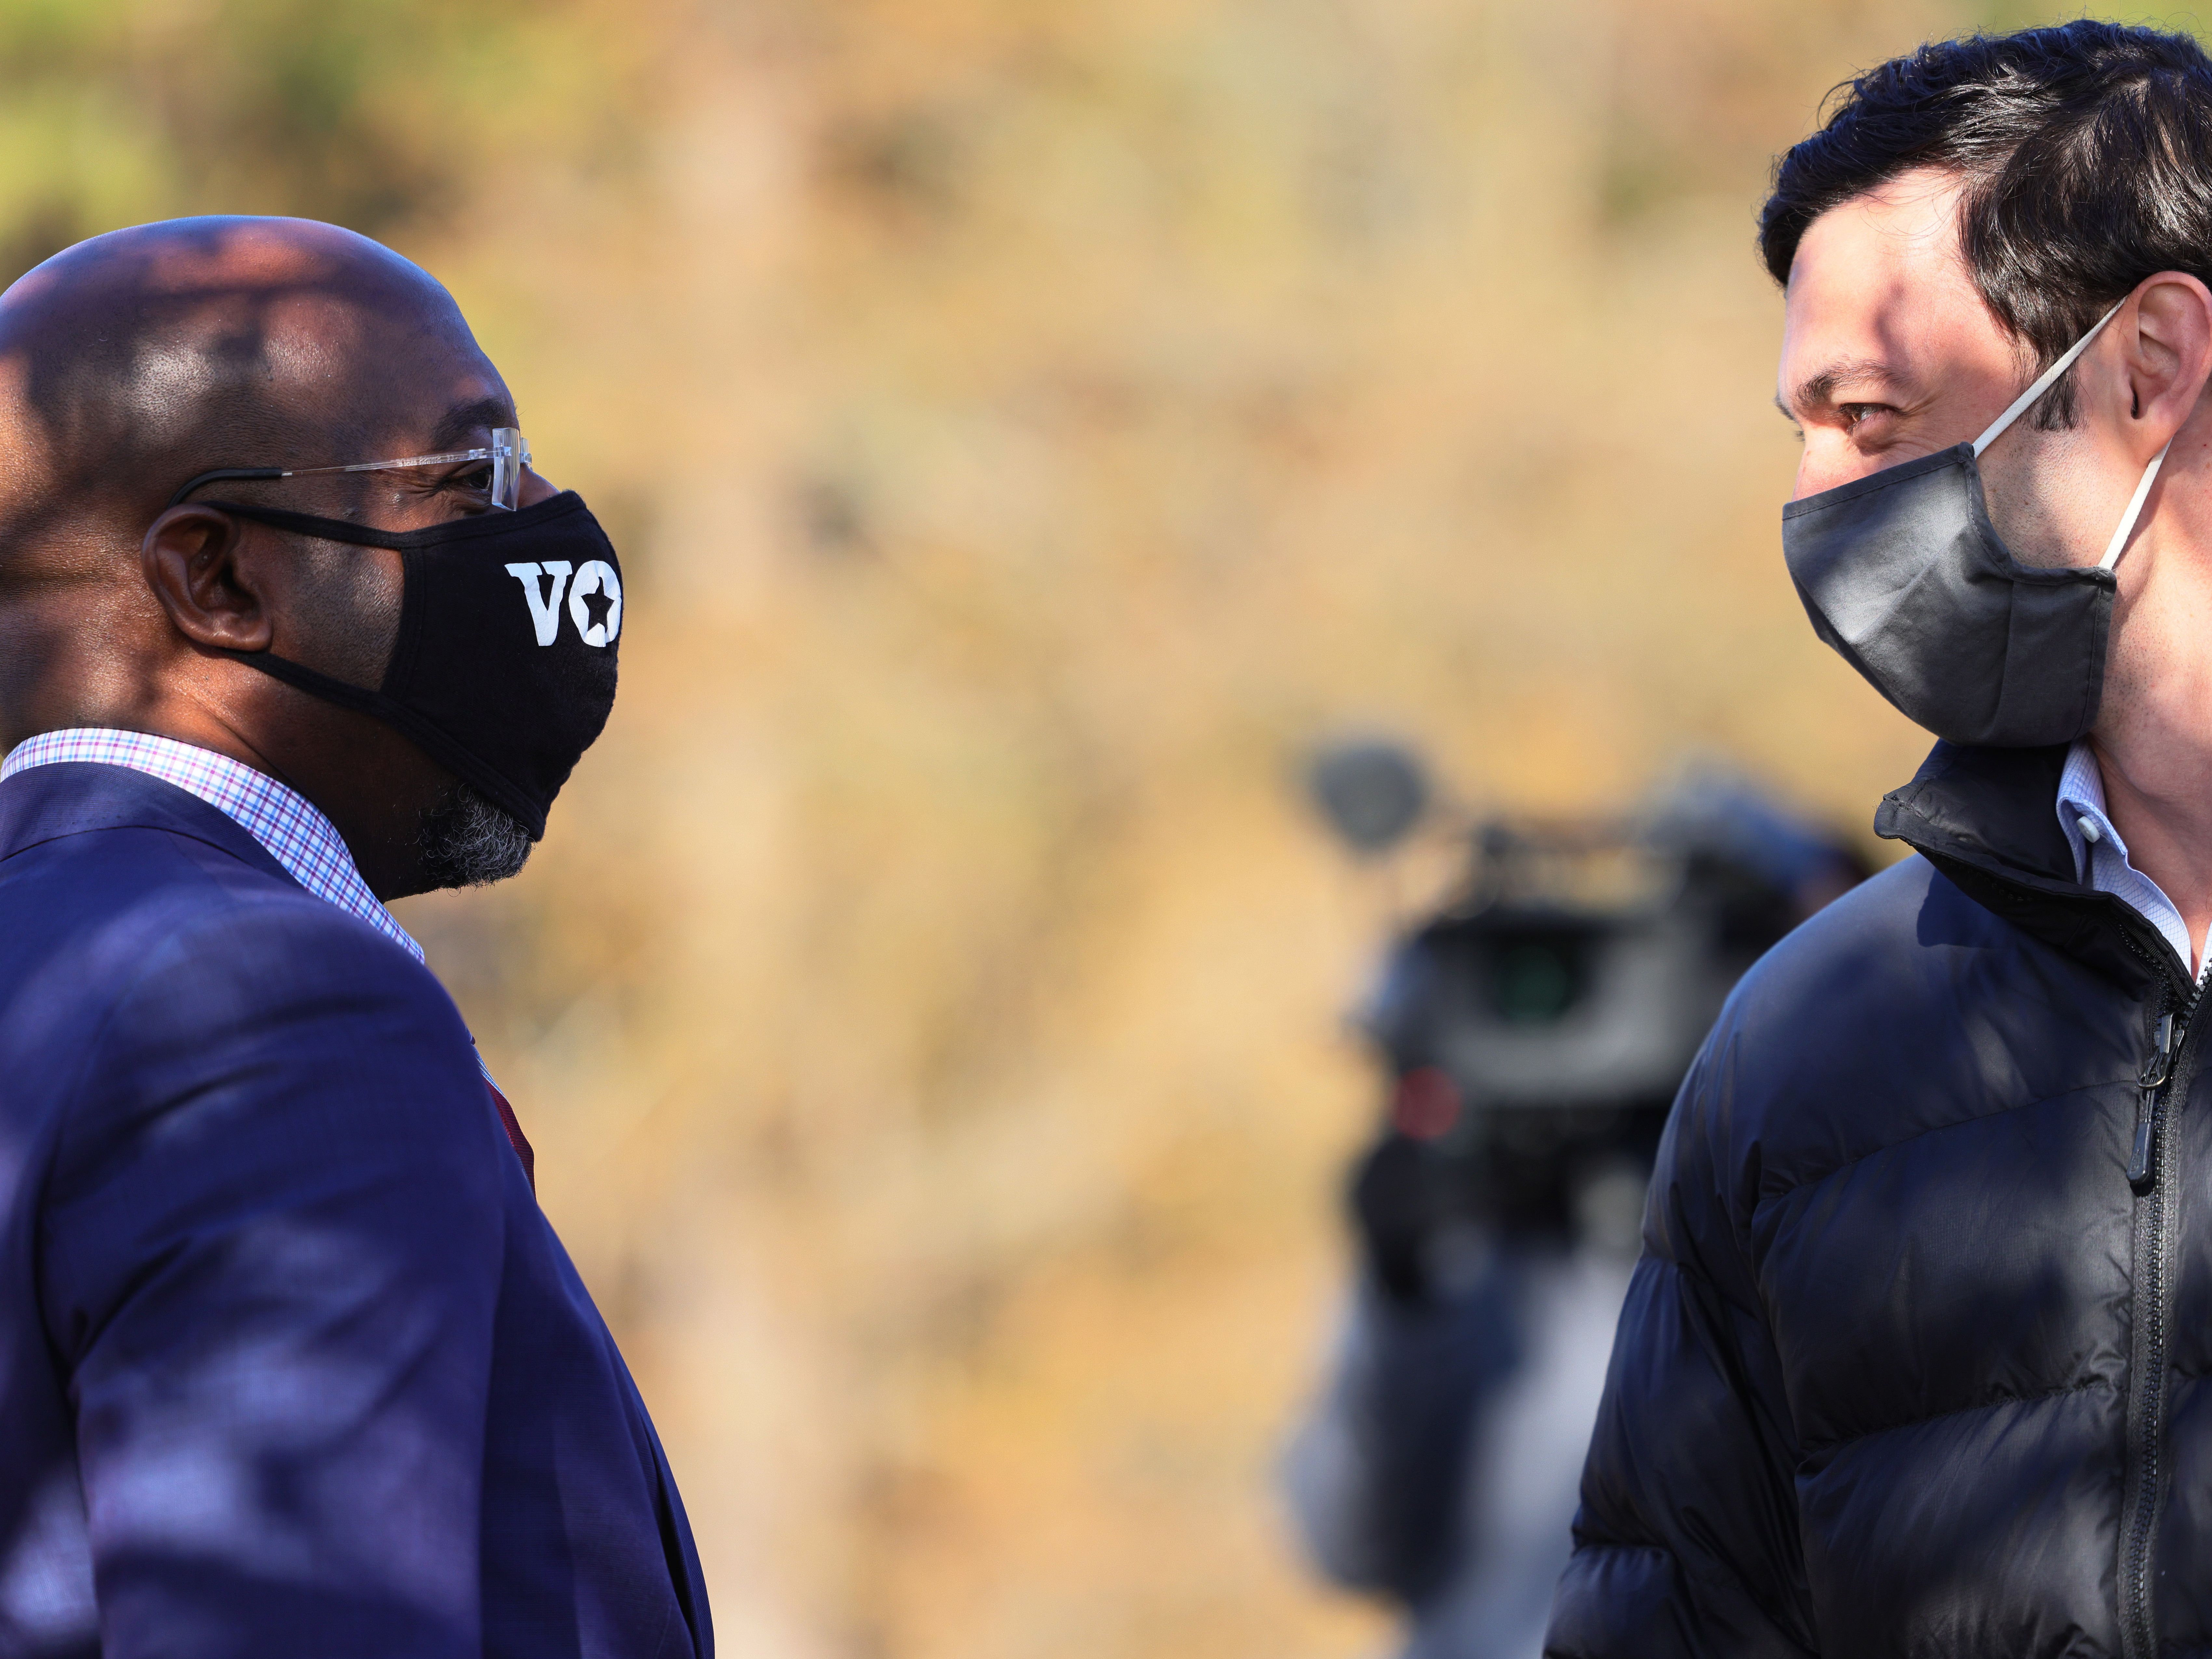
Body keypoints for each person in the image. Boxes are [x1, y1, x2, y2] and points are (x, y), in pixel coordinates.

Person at [1546, 21, 2212, 1657]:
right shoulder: (1808, 1042)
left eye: (1871, 412)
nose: (1815, 493)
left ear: (2150, 364)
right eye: (1803, 421)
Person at [0, 217, 708, 1658]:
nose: (552, 523)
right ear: (219, 580)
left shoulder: (57, 966)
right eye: (476, 476)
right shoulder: (266, 1011)